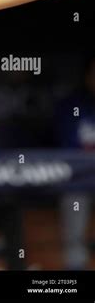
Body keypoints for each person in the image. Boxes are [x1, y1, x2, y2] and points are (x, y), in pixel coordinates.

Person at [55, 56, 95, 269]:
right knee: (73, 198)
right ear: (87, 76)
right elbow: (69, 148)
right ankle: (75, 267)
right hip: (81, 178)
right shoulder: (72, 106)